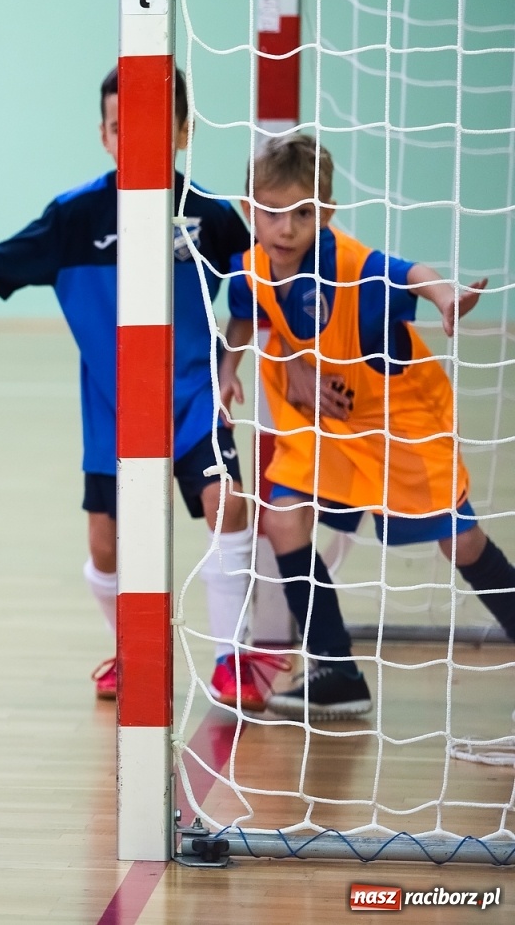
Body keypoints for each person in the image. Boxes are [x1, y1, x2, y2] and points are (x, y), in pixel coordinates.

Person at [0, 68, 281, 709]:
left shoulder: (211, 217)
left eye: (154, 128)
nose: (136, 140)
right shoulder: (75, 218)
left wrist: (236, 360)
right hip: (112, 408)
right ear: (104, 135)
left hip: (190, 398)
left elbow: (259, 290)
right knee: (105, 544)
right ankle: (131, 650)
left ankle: (233, 658)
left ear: (183, 132)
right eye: (123, 128)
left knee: (227, 505)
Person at [220, 132, 515, 720]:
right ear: (250, 211)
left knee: (462, 543)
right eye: (272, 213)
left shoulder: (351, 267)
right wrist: (230, 371)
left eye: (302, 214)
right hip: (325, 422)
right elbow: (245, 316)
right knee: (281, 518)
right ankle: (335, 670)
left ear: (324, 214)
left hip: (398, 421)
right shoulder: (252, 266)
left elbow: (409, 273)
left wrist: (444, 297)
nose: (285, 228)